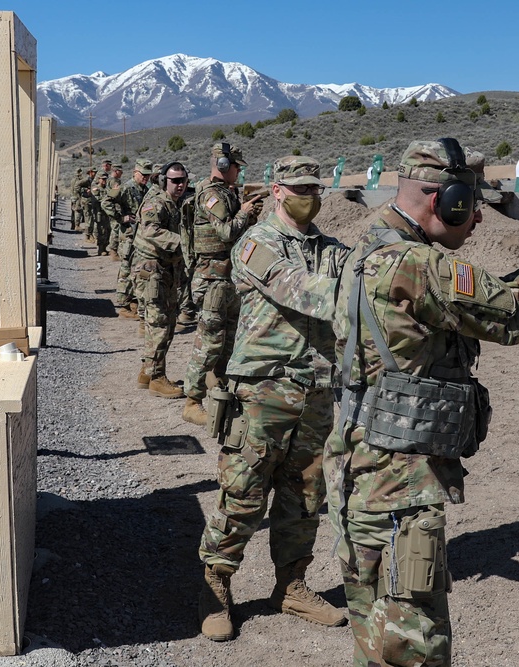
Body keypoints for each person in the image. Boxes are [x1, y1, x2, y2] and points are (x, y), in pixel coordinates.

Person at [323, 138, 519, 666]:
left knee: (378, 638)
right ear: (445, 199)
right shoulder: (417, 264)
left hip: (363, 469)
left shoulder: (372, 247)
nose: (479, 219)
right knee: (412, 646)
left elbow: (477, 304)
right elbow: (512, 315)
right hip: (399, 488)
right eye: (473, 205)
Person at [198, 155, 350, 642]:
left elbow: (366, 279)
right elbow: (308, 294)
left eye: (316, 187)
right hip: (263, 390)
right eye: (300, 187)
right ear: (276, 189)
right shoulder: (255, 244)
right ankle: (216, 586)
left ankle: (292, 584)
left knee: (305, 496)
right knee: (242, 492)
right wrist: (366, 290)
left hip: (317, 389)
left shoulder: (332, 250)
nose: (310, 195)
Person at [181, 142, 263, 426]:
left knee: (227, 341)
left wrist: (247, 213)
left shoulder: (226, 193)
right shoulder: (211, 196)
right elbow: (227, 232)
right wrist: (244, 214)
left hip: (227, 278)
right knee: (209, 340)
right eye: (237, 167)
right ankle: (192, 401)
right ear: (225, 166)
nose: (239, 173)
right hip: (213, 280)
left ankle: (221, 396)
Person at [131, 161, 190, 399]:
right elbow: (150, 231)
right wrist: (185, 243)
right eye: (175, 180)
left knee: (165, 323)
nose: (181, 185)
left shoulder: (174, 202)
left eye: (184, 180)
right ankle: (157, 378)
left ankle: (147, 372)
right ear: (164, 180)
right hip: (152, 271)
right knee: (159, 325)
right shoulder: (156, 202)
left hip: (165, 270)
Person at [106, 159, 153, 319]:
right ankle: (123, 305)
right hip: (128, 236)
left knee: (136, 269)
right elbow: (106, 202)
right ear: (135, 172)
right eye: (143, 175)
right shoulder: (126, 187)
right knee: (126, 268)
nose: (146, 178)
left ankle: (132, 301)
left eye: (148, 175)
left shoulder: (144, 189)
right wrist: (121, 218)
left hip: (139, 236)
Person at [91, 170, 111, 256]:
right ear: (99, 179)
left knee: (108, 230)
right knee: (101, 231)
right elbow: (96, 199)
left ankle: (105, 247)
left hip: (107, 213)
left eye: (105, 179)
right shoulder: (96, 189)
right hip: (100, 213)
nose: (104, 181)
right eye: (102, 179)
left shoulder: (107, 188)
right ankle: (100, 248)